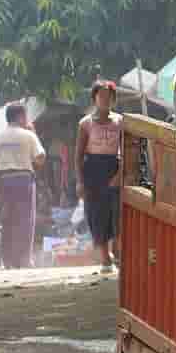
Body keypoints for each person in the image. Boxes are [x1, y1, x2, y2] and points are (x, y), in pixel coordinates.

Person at [0, 103, 46, 269]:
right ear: (21, 117)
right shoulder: (28, 135)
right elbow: (40, 158)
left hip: (3, 180)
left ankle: (8, 262)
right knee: (25, 221)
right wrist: (33, 133)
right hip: (24, 180)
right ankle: (24, 260)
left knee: (6, 220)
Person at [76, 80, 123, 272]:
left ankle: (117, 253)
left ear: (114, 99)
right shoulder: (85, 123)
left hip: (114, 169)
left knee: (117, 214)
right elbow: (78, 155)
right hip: (92, 172)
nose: (105, 99)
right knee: (96, 214)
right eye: (101, 96)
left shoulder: (121, 121)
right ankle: (105, 258)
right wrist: (80, 181)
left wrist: (120, 174)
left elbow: (127, 151)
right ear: (94, 98)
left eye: (109, 96)